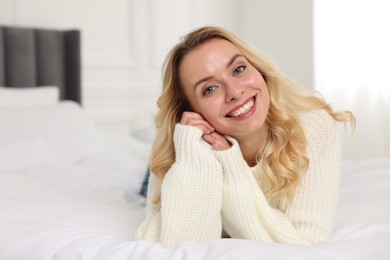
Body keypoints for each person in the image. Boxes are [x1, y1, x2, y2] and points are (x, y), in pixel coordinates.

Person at [135, 26, 355, 248]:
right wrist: (194, 156)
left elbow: (304, 245)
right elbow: (175, 246)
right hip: (183, 158)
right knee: (147, 188)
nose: (235, 92)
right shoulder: (182, 141)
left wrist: (231, 165)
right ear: (191, 110)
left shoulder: (313, 126)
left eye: (239, 69)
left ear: (259, 70)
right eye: (209, 89)